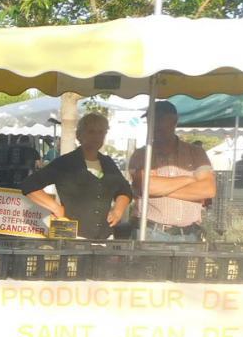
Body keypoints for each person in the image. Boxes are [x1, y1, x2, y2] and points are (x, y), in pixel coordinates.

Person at [20, 112, 133, 240]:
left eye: (101, 132)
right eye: (91, 132)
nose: (96, 137)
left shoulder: (108, 163)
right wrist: (55, 208)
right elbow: (29, 185)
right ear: (79, 135)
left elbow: (125, 190)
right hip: (70, 236)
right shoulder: (65, 163)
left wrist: (118, 210)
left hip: (104, 237)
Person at [128, 101, 215, 241]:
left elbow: (208, 190)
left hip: (190, 235)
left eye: (160, 118)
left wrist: (162, 189)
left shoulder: (197, 153)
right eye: (150, 120)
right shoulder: (142, 154)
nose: (154, 124)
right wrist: (189, 180)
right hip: (150, 232)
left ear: (174, 121)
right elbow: (146, 185)